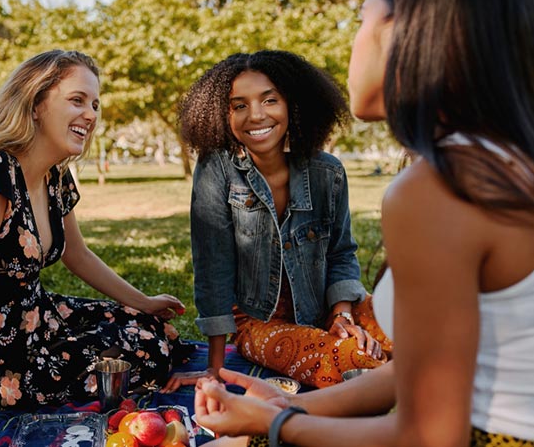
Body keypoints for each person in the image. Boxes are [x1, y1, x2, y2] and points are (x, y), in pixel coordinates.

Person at [194, 0, 534, 446]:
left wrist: (272, 427)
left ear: (406, 32)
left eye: (362, 18)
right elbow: (410, 374)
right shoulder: (501, 160)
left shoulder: (437, 187)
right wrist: (285, 406)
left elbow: (431, 435)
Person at [0, 50, 194, 446]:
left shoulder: (55, 176)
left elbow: (77, 254)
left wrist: (144, 301)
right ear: (36, 104)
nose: (90, 114)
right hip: (1, 359)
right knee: (149, 351)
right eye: (77, 100)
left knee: (154, 329)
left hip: (43, 318)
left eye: (94, 104)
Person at [164, 50, 391, 394]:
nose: (255, 116)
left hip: (328, 307)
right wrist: (214, 368)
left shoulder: (328, 172)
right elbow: (213, 270)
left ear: (292, 105)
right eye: (239, 105)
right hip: (259, 323)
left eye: (269, 100)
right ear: (220, 115)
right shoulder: (217, 170)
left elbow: (342, 253)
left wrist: (343, 317)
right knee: (349, 359)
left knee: (420, 326)